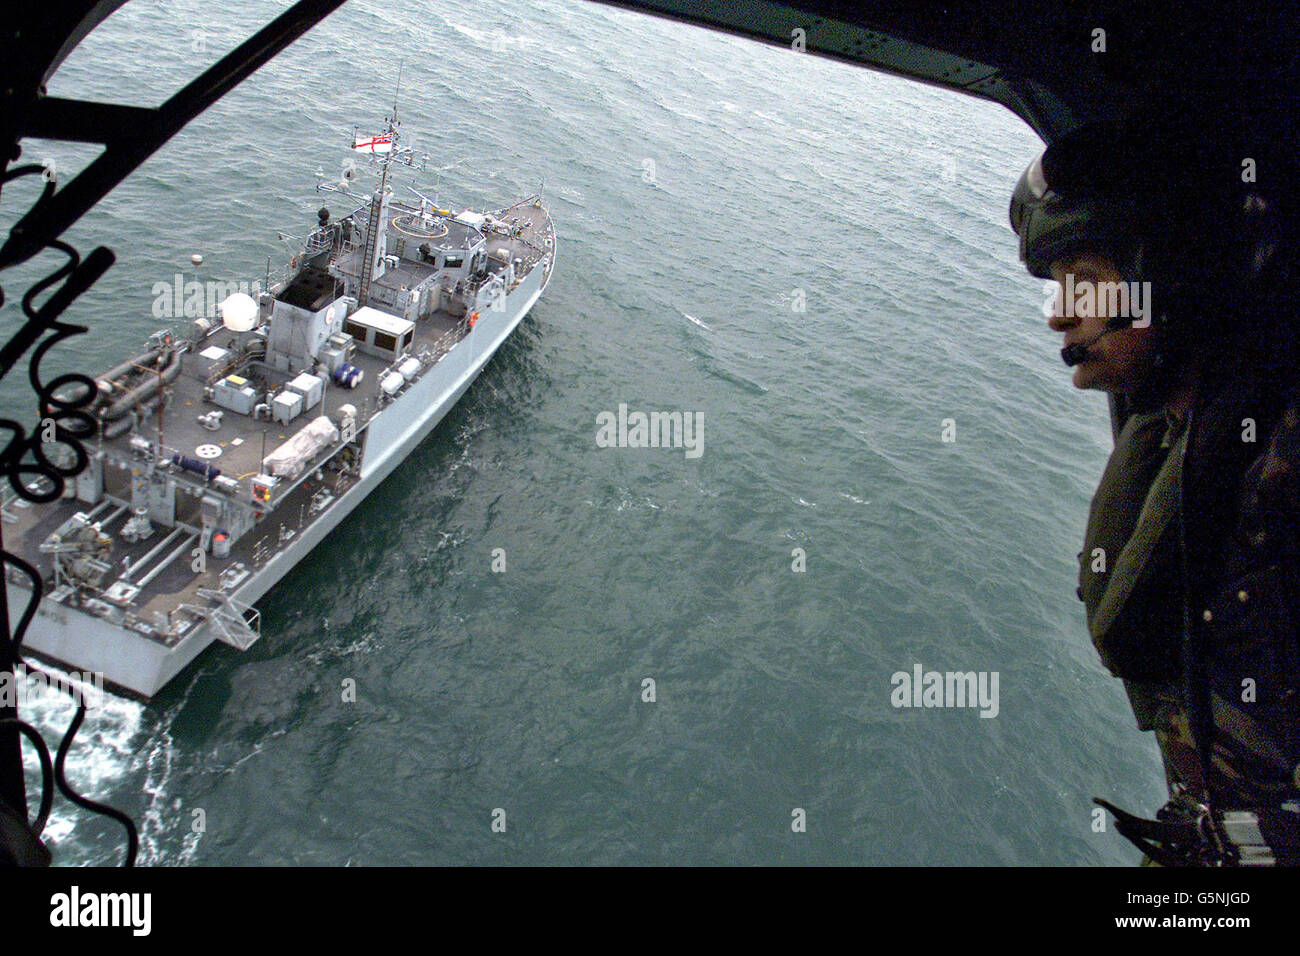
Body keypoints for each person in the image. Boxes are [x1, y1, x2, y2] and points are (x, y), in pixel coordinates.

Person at [1009, 121, 1300, 865]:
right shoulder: (1187, 431)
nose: (1062, 315)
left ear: (1170, 276)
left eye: (1086, 281)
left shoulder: (1279, 467)